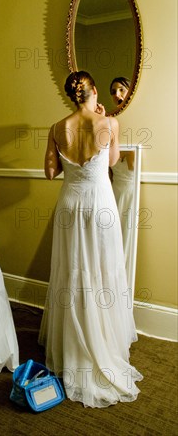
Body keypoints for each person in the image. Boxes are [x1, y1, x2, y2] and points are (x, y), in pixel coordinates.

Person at [38, 71, 142, 408]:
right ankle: (103, 343)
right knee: (102, 271)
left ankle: (73, 347)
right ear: (94, 91)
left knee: (72, 273)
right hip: (100, 205)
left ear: (73, 95)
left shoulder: (57, 128)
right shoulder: (110, 124)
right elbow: (111, 162)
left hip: (70, 205)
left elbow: (49, 173)